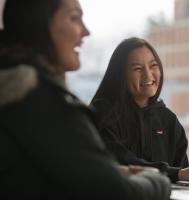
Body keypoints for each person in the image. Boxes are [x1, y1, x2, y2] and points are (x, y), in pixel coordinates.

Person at [0, 0, 171, 199]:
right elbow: (119, 193)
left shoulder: (15, 94)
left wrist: (109, 172)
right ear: (39, 25)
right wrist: (160, 180)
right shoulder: (43, 104)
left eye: (153, 66)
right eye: (74, 18)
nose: (85, 31)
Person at [91, 37, 189, 183]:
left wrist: (183, 174)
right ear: (120, 74)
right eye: (137, 68)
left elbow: (183, 181)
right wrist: (177, 173)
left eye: (153, 65)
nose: (148, 75)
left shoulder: (168, 120)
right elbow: (120, 161)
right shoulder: (102, 113)